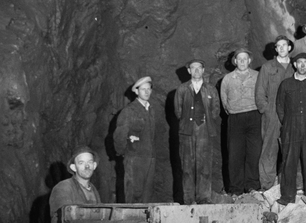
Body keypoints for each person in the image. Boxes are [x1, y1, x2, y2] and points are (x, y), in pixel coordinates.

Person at [275, 52, 306, 205]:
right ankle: (287, 197)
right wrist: (289, 122)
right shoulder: (286, 84)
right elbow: (280, 107)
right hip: (291, 125)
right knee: (289, 160)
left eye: (305, 63)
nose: (302, 65)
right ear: (295, 65)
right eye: (299, 62)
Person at [174, 58, 221, 204]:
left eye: (199, 68)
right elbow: (178, 111)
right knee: (187, 166)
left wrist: (205, 123)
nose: (196, 70)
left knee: (205, 165)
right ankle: (188, 199)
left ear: (203, 70)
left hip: (205, 131)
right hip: (187, 131)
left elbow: (215, 110)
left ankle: (204, 198)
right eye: (193, 68)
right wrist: (189, 122)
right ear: (189, 71)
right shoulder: (182, 89)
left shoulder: (211, 89)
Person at [112, 77, 163, 203]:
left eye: (148, 89)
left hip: (150, 158)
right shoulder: (129, 111)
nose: (146, 92)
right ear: (136, 91)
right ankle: (132, 222)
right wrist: (127, 152)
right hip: (135, 158)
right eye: (142, 89)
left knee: (147, 195)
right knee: (134, 194)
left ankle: (145, 222)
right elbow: (119, 136)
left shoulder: (151, 110)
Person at [254, 35, 294, 189]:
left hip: (292, 114)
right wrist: (266, 110)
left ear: (289, 47)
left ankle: (288, 186)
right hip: (272, 113)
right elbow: (259, 92)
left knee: (291, 149)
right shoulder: (267, 67)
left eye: (285, 45)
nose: (282, 48)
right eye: (279, 46)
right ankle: (267, 186)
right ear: (276, 49)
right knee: (269, 150)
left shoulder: (296, 66)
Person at [220, 49, 261, 194]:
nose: (243, 61)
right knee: (235, 154)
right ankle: (235, 188)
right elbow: (224, 100)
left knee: (254, 152)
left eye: (245, 58)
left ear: (249, 60)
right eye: (239, 59)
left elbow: (262, 94)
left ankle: (252, 186)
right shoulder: (228, 79)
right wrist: (233, 110)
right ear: (235, 61)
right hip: (235, 117)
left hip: (254, 116)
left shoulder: (257, 76)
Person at [49, 146, 102, 223]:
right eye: (81, 163)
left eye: (90, 162)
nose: (87, 166)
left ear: (94, 166)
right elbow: (58, 222)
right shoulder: (64, 187)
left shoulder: (93, 190)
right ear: (74, 167)